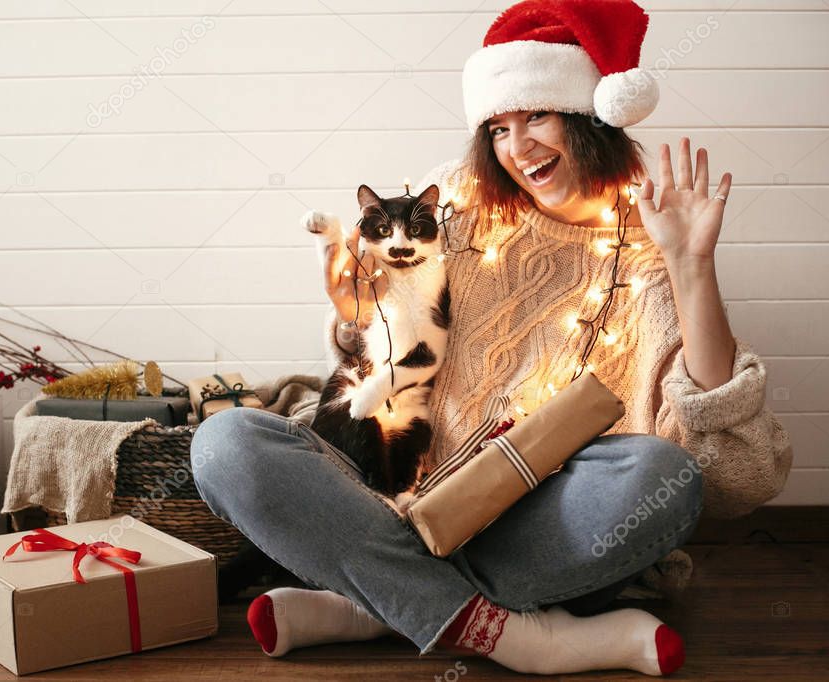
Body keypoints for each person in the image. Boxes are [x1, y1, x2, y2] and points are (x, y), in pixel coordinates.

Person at [190, 0, 792, 676]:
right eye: (499, 127)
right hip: (405, 495)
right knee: (226, 443)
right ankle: (518, 636)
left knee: (664, 477)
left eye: (536, 115)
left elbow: (736, 475)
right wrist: (365, 310)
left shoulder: (646, 233)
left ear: (589, 115)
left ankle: (376, 603)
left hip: (536, 527)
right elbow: (379, 360)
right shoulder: (457, 200)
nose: (518, 147)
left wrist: (690, 264)